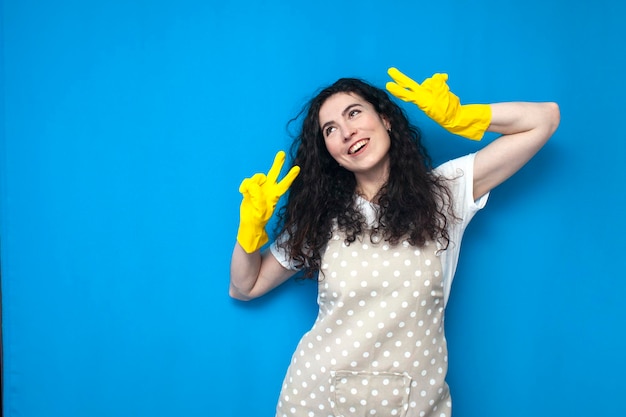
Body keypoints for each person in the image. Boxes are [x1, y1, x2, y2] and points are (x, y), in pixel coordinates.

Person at [229, 67, 560, 417]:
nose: (347, 132)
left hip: (416, 404)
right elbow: (244, 286)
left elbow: (545, 118)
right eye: (331, 130)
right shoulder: (320, 218)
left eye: (354, 113)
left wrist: (464, 116)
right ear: (328, 151)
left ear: (385, 119)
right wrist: (248, 234)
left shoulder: (446, 193)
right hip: (316, 399)